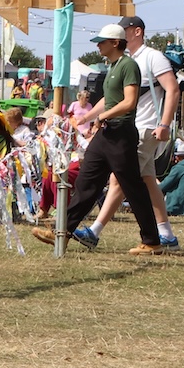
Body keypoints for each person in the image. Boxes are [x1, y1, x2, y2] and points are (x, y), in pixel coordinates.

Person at [33, 24, 163, 255]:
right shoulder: (112, 67)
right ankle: (63, 231)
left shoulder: (128, 65)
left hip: (121, 134)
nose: (98, 46)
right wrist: (86, 117)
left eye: (102, 42)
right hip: (107, 132)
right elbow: (108, 100)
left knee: (132, 187)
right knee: (86, 181)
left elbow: (129, 102)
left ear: (115, 43)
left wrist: (102, 117)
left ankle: (152, 241)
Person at [79, 16, 183, 250]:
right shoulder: (125, 61)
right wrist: (86, 117)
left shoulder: (152, 57)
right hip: (134, 128)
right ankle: (167, 235)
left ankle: (94, 231)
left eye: (124, 29)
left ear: (137, 31)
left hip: (147, 127)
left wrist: (164, 124)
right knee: (148, 180)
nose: (119, 34)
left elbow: (173, 89)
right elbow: (111, 99)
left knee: (119, 178)